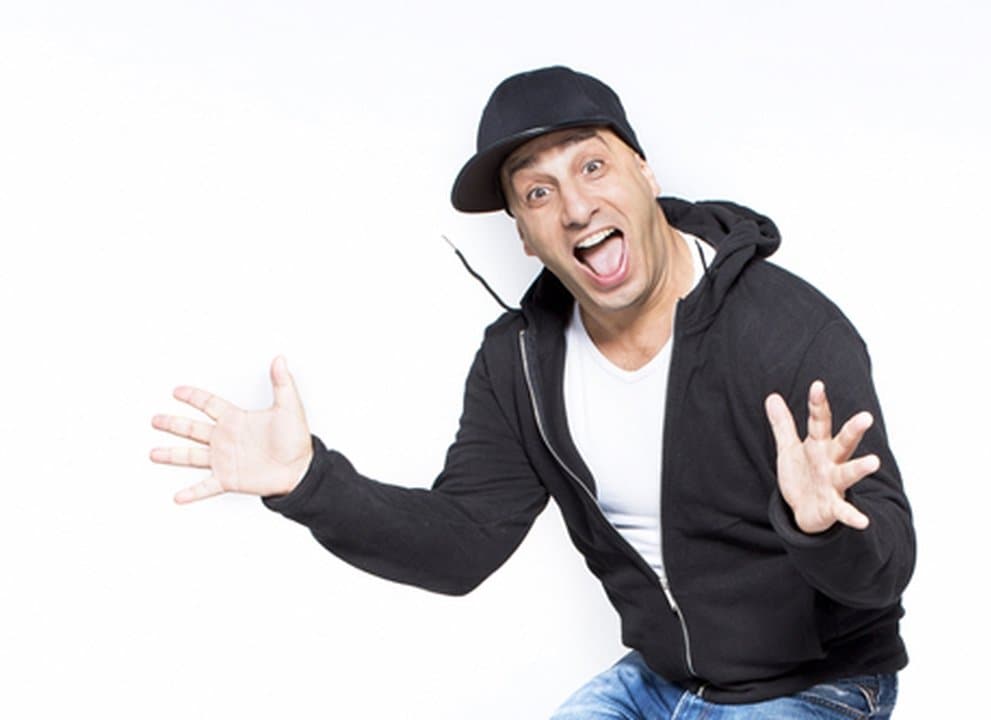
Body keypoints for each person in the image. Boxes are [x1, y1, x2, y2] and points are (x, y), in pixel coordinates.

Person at [150, 66, 915, 719]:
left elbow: (885, 570)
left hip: (817, 684)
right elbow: (462, 544)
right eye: (539, 191)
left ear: (645, 174)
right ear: (522, 230)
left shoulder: (786, 331)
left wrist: (823, 527)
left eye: (592, 167)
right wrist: (307, 483)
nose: (576, 208)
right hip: (663, 683)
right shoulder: (519, 362)